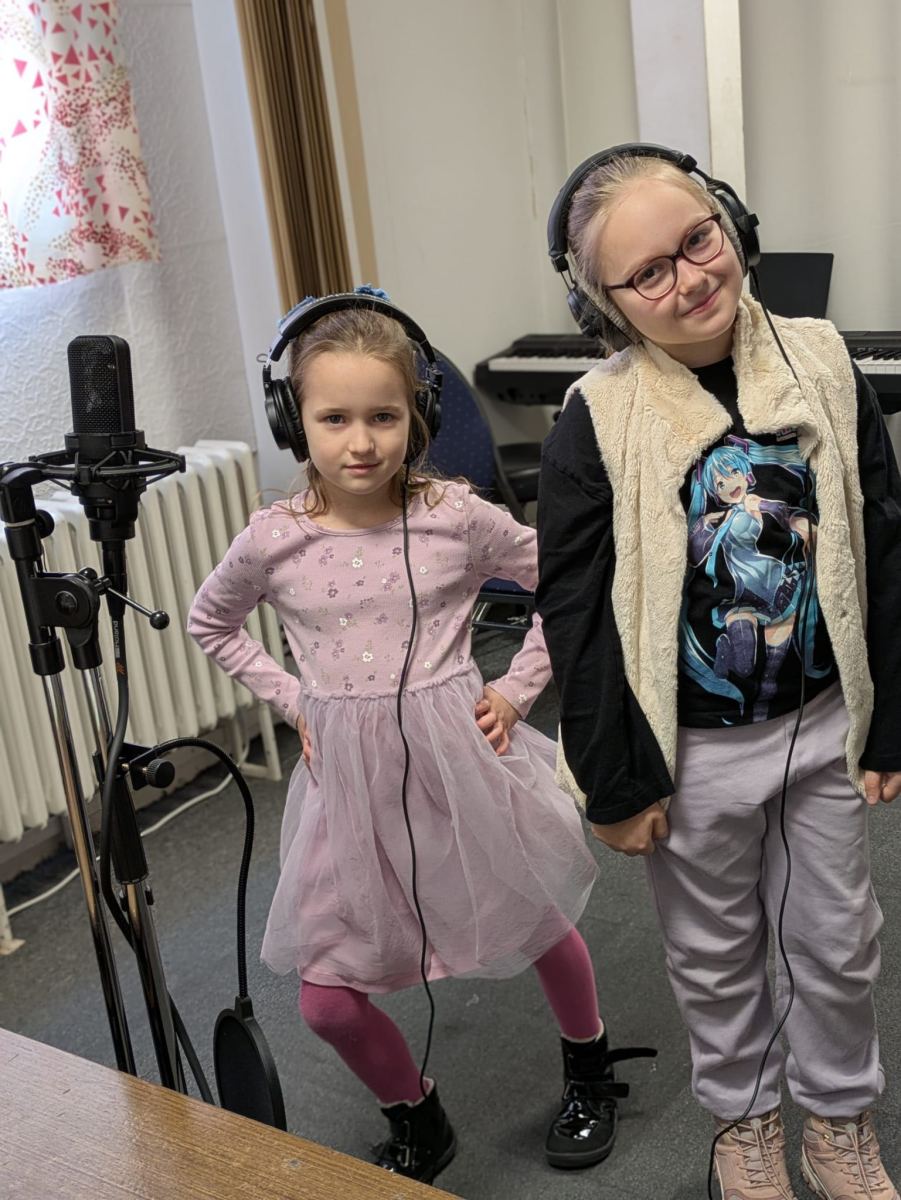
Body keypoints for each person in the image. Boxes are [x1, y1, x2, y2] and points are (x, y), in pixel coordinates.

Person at [187, 289, 653, 1184]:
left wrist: (517, 688)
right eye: (333, 418)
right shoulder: (273, 540)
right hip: (348, 782)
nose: (360, 442)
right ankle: (415, 1110)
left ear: (419, 415)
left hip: (459, 755)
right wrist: (295, 701)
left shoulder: (454, 515)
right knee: (326, 999)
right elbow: (213, 623)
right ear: (293, 421)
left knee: (536, 920)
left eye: (383, 416)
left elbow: (565, 581)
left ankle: (589, 1063)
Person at [537, 145, 901, 1200]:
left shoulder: (820, 359)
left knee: (837, 940)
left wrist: (891, 716)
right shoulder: (595, 415)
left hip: (822, 726)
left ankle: (837, 1122)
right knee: (713, 952)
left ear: (730, 224)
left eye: (697, 240)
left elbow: (882, 537)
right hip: (690, 752)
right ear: (603, 305)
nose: (688, 278)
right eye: (646, 273)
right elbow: (575, 611)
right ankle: (744, 1123)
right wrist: (613, 778)